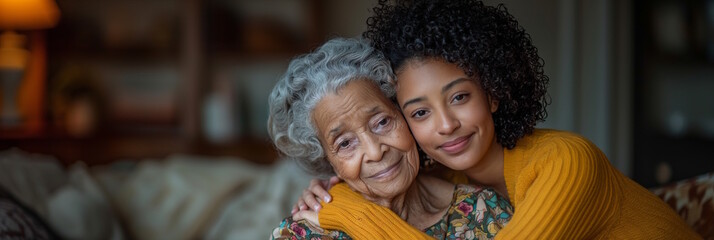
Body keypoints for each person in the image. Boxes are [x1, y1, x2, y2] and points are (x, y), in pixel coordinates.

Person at [294, 0, 701, 239]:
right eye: (420, 112)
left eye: (458, 97)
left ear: (492, 92)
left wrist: (349, 212)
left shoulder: (566, 161)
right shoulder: (451, 177)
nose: (446, 125)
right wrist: (338, 189)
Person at [267, 37, 512, 240]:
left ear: (404, 115)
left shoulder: (484, 210)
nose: (375, 152)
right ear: (329, 161)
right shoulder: (305, 232)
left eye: (382, 122)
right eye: (344, 143)